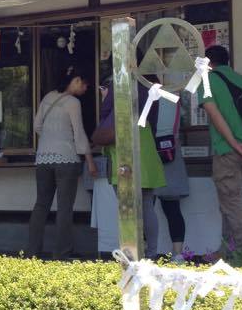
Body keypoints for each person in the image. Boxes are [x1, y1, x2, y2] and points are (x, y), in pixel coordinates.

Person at [90, 70, 166, 258]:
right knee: (147, 206)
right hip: (147, 155)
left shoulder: (120, 96)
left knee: (127, 208)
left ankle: (132, 253)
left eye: (102, 89)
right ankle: (152, 252)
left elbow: (104, 133)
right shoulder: (146, 92)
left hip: (124, 160)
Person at [201, 44, 242, 255]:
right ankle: (225, 250)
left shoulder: (208, 79)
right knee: (229, 202)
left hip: (228, 151)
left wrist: (234, 144)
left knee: (232, 202)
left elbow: (212, 111)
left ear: (208, 63)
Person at [27, 66, 96, 259]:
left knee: (41, 205)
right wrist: (89, 160)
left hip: (43, 159)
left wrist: (50, 138)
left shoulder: (48, 97)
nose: (85, 89)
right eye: (84, 84)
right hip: (66, 159)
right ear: (75, 81)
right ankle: (62, 252)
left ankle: (33, 251)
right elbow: (79, 133)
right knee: (64, 207)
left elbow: (36, 125)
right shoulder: (73, 103)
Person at [153, 97, 189, 262]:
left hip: (147, 151)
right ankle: (178, 253)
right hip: (170, 150)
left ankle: (147, 251)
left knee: (145, 209)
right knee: (172, 209)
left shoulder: (140, 97)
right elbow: (185, 117)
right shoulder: (173, 98)